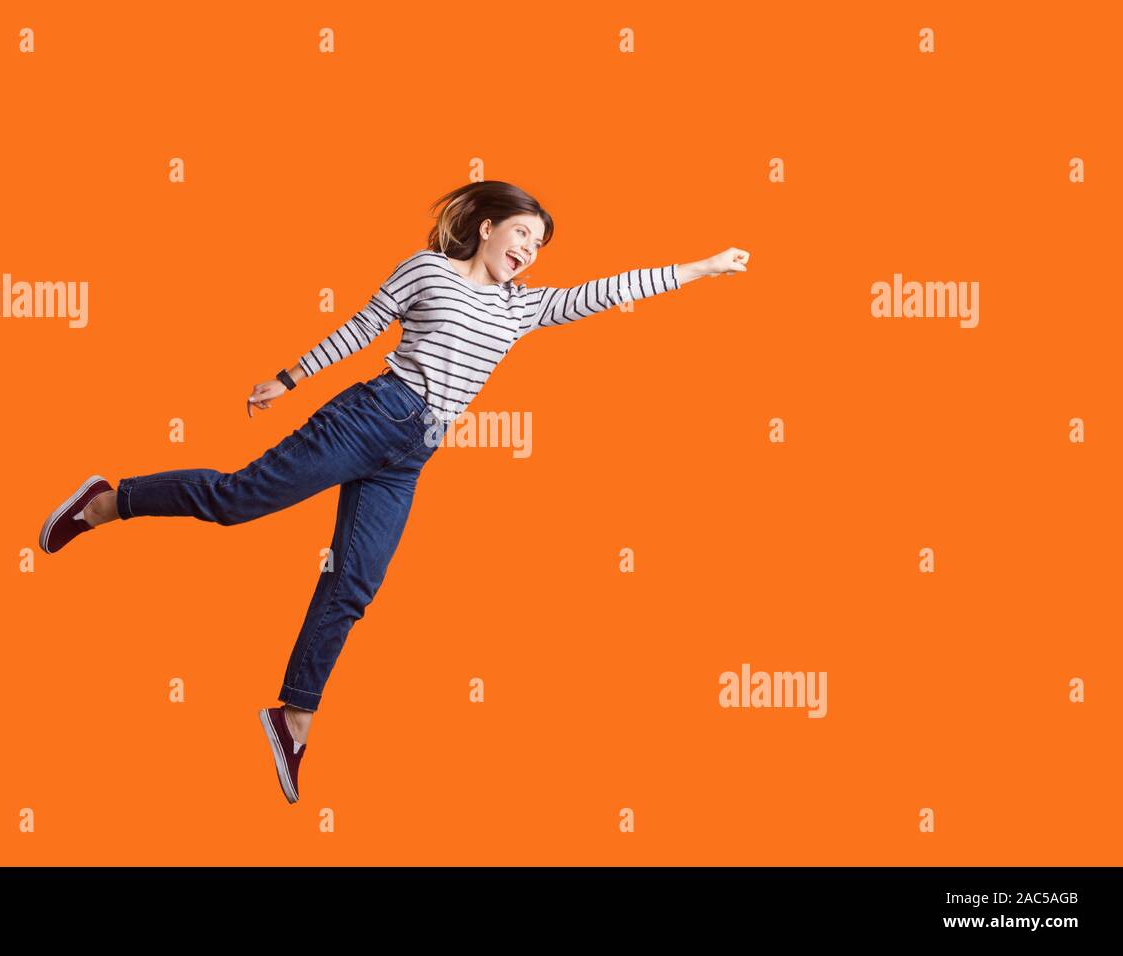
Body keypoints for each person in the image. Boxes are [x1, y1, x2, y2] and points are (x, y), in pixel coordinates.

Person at [37, 180, 750, 804]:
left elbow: (609, 291)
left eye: (540, 244)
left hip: (413, 451)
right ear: (487, 226)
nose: (530, 250)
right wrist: (287, 379)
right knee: (236, 501)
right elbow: (362, 327)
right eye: (523, 233)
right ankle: (108, 500)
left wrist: (702, 267)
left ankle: (295, 716)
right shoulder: (428, 271)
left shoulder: (520, 310)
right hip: (372, 413)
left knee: (355, 584)